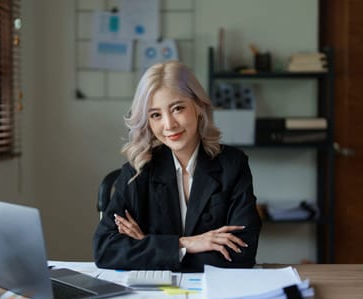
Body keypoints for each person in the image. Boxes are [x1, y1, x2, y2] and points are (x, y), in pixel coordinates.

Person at [92, 60, 261, 272]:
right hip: (152, 297)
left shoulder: (233, 165)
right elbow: (106, 250)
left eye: (177, 108)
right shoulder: (137, 171)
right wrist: (185, 244)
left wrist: (148, 245)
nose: (169, 125)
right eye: (155, 115)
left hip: (212, 294)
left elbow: (241, 255)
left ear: (198, 106)